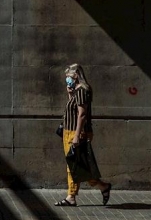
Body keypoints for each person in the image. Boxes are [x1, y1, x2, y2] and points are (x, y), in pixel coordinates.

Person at [54, 63, 112, 207]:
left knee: (73, 166)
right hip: (69, 130)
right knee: (80, 167)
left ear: (76, 75)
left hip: (76, 131)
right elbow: (72, 108)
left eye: (69, 76)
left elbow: (82, 114)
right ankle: (103, 187)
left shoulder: (82, 90)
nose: (67, 79)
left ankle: (71, 197)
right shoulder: (76, 90)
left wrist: (77, 135)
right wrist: (69, 93)